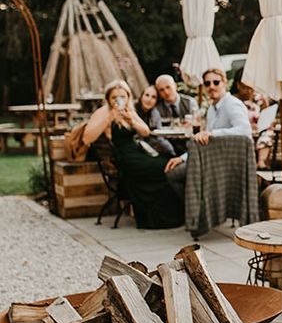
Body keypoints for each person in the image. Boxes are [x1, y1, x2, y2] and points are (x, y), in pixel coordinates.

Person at [83, 80, 183, 229]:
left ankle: (169, 216)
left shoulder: (129, 110)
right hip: (123, 158)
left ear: (128, 97)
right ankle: (154, 217)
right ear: (108, 99)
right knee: (164, 165)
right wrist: (109, 118)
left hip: (137, 152)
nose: (119, 100)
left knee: (168, 160)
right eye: (114, 97)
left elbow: (146, 131)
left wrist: (131, 120)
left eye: (122, 96)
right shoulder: (103, 112)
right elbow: (87, 138)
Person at [165, 67, 253, 201]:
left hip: (227, 162)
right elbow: (204, 142)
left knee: (174, 174)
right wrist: (182, 158)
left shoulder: (232, 104)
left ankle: (198, 211)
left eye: (216, 82)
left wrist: (213, 134)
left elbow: (245, 131)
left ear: (224, 82)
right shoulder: (212, 108)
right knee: (173, 170)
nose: (211, 86)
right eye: (207, 83)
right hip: (210, 158)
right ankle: (198, 210)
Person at [135, 85, 175, 157]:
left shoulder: (155, 113)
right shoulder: (133, 110)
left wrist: (170, 151)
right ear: (141, 96)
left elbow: (158, 135)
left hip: (150, 146)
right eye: (147, 95)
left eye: (153, 97)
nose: (149, 99)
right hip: (136, 145)